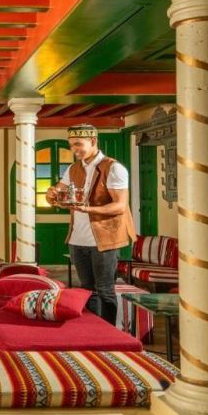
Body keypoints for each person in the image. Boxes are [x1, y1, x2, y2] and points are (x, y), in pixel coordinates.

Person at [46, 123, 136, 324]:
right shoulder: (73, 168)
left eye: (78, 144)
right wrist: (51, 194)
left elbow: (120, 206)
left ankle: (109, 332)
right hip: (77, 239)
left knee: (105, 289)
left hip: (104, 240)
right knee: (86, 289)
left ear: (93, 141)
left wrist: (88, 209)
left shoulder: (113, 168)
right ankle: (93, 329)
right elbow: (58, 191)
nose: (74, 149)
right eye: (71, 145)